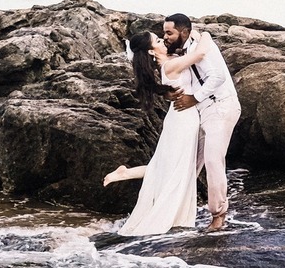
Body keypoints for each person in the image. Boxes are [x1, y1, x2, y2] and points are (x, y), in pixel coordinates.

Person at [102, 29, 208, 236]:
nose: (163, 41)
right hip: (183, 120)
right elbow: (201, 54)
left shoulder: (169, 61)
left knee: (167, 165)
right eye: (158, 40)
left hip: (181, 118)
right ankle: (172, 213)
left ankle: (126, 173)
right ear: (151, 51)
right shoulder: (170, 65)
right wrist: (204, 35)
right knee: (176, 167)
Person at [162, 13, 240, 231]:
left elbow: (218, 77)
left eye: (169, 33)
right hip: (200, 113)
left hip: (220, 107)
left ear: (184, 32)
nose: (165, 37)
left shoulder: (201, 47)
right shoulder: (186, 50)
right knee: (189, 163)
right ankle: (175, 213)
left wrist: (194, 98)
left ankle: (218, 216)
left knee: (213, 161)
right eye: (164, 33)